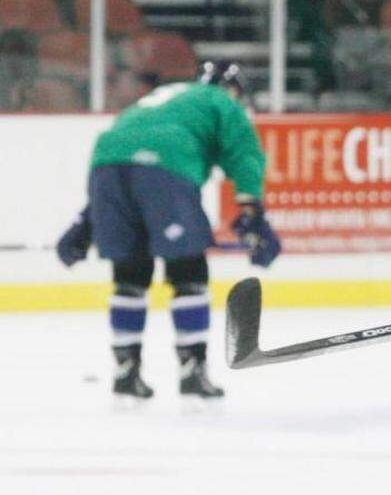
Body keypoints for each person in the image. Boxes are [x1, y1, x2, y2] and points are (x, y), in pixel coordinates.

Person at [56, 62, 281, 402]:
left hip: (106, 166)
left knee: (130, 274)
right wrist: (253, 213)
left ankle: (125, 372)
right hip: (165, 166)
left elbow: (123, 152)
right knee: (188, 270)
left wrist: (88, 221)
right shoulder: (221, 100)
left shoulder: (163, 98)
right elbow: (244, 152)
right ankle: (193, 371)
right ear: (232, 89)